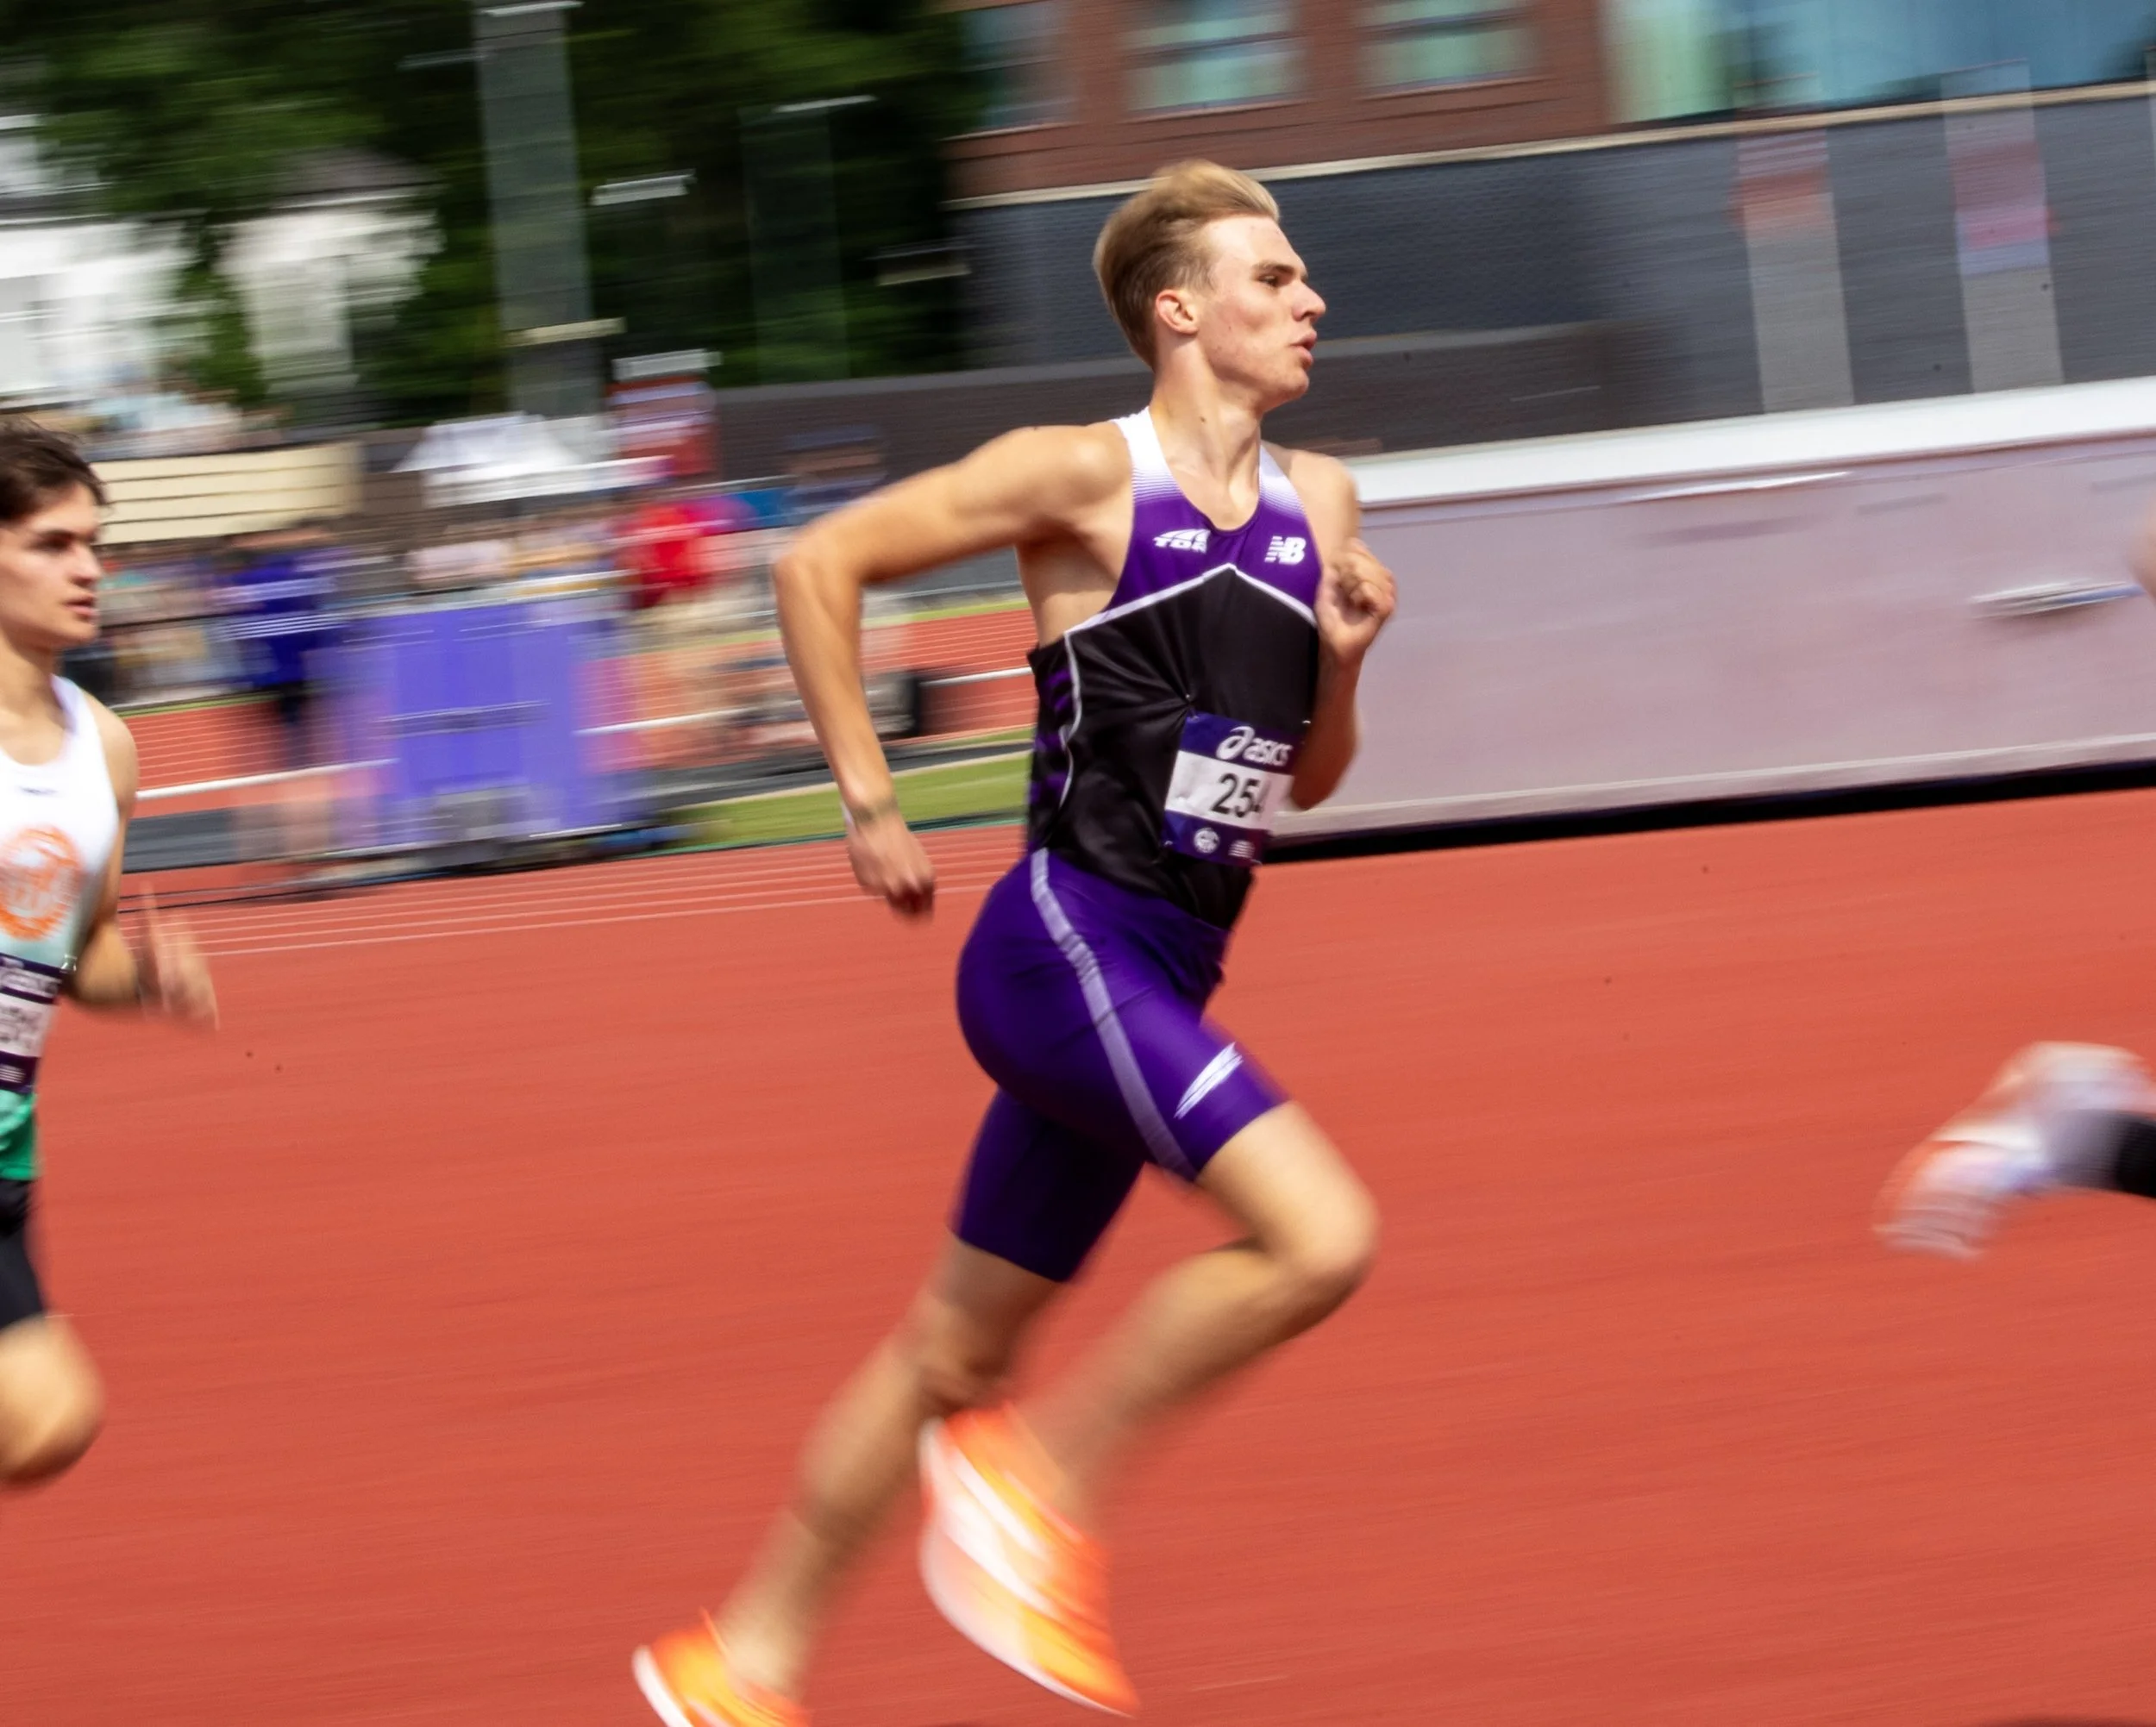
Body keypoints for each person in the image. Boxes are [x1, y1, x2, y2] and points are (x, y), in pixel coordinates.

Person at [635, 160, 1397, 1726]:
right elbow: (814, 564)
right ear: (1179, 311)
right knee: (1319, 1236)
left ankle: (742, 1657)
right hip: (1062, 945)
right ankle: (1042, 1490)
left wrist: (1346, 664)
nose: (1310, 299)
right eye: (1276, 277)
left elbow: (1307, 778)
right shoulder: (1079, 475)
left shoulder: (1325, 501)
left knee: (946, 1354)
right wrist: (867, 795)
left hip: (1165, 974)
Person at [0, 420, 218, 1487]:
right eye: (50, 543)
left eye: (93, 542)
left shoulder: (106, 748)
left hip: (4, 1153)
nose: (88, 568)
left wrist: (150, 979)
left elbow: (80, 952)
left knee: (48, 1420)